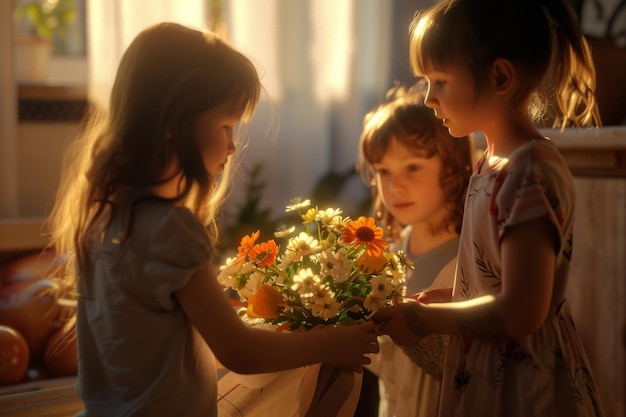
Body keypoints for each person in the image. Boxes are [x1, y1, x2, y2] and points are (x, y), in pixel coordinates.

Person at [45, 22, 379, 417]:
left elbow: (155, 345)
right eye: (225, 125)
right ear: (174, 122)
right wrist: (331, 342)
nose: (233, 144)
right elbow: (240, 352)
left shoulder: (102, 218)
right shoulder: (170, 229)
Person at [372, 0, 605, 416]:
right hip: (485, 370)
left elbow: (519, 312)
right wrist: (443, 299)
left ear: (500, 76)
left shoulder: (529, 172)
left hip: (524, 385)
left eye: (440, 81)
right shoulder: (491, 162)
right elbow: (491, 282)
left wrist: (426, 323)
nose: (429, 99)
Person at [354, 81, 473, 417]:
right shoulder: (386, 258)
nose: (395, 186)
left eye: (412, 167)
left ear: (453, 163)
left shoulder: (469, 262)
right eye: (383, 172)